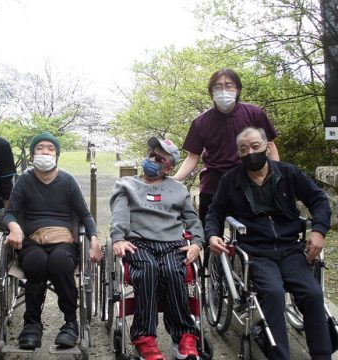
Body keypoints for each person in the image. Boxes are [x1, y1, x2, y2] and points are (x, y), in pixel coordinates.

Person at [205, 127, 332, 360]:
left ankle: (322, 355)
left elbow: (318, 200)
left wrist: (319, 231)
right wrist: (212, 235)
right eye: (244, 149)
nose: (250, 152)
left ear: (267, 146)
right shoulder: (231, 180)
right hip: (256, 251)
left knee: (313, 293)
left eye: (255, 146)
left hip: (291, 248)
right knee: (272, 294)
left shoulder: (288, 173)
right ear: (238, 154)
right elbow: (215, 212)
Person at [3, 132, 103, 350]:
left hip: (62, 240)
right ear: (32, 155)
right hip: (32, 240)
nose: (45, 152)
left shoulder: (67, 181)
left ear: (56, 154)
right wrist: (14, 226)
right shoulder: (24, 180)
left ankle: (70, 323)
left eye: (50, 148)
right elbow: (9, 213)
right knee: (34, 263)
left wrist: (94, 241)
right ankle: (32, 324)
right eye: (40, 148)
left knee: (60, 263)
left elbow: (85, 215)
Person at [110, 136, 205, 360]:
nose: (153, 159)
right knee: (148, 270)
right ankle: (144, 338)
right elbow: (120, 216)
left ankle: (184, 335)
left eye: (160, 158)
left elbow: (193, 221)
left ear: (169, 166)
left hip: (172, 243)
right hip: (138, 242)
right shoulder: (126, 185)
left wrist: (198, 244)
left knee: (173, 272)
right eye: (152, 154)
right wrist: (118, 239)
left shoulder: (178, 189)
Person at [174, 68, 279, 223]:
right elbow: (193, 156)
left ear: (238, 89)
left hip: (249, 183)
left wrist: (276, 175)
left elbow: (270, 145)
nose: (223, 90)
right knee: (209, 233)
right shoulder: (200, 122)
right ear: (211, 93)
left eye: (228, 86)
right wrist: (175, 179)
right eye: (218, 87)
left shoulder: (254, 113)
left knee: (250, 236)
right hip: (212, 185)